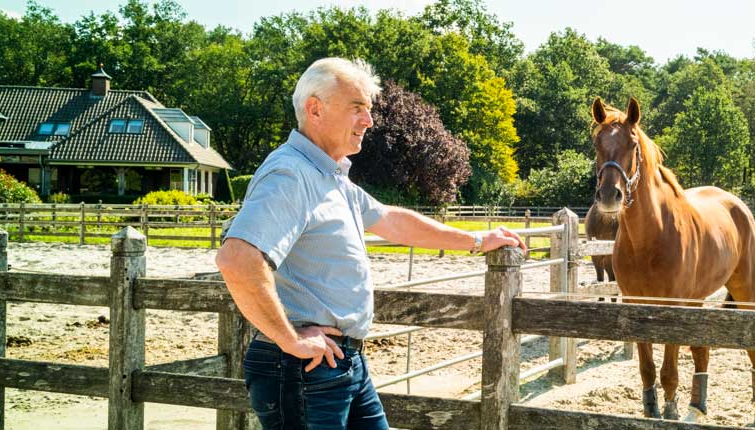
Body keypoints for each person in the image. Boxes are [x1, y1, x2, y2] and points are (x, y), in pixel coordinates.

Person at [215, 57, 525, 429]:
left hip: (341, 362)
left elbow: (393, 220)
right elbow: (237, 259)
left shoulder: (329, 177)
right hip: (304, 368)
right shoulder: (290, 173)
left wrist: (478, 239)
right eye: (357, 108)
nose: (369, 120)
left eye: (368, 109)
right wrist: (291, 339)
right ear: (315, 109)